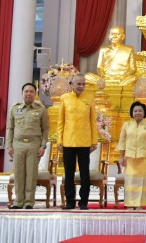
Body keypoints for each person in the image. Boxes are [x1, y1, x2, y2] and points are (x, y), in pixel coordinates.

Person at [57, 74, 98, 210]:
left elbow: (93, 121)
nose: (81, 86)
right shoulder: (64, 98)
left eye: (83, 84)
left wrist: (94, 141)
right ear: (72, 85)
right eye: (78, 84)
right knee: (69, 174)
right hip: (68, 141)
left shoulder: (90, 98)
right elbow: (61, 121)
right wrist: (59, 141)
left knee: (85, 174)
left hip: (84, 141)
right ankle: (70, 201)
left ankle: (83, 202)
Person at [7, 82, 48, 209]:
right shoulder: (15, 108)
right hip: (18, 144)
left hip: (34, 145)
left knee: (31, 174)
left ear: (35, 94)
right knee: (19, 173)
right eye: (26, 91)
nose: (28, 93)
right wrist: (9, 145)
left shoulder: (41, 109)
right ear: (22, 93)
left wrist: (43, 145)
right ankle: (18, 201)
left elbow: (45, 129)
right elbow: (10, 128)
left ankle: (29, 202)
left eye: (31, 91)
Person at [116, 101, 146, 209]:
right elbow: (122, 141)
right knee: (130, 182)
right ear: (132, 113)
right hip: (129, 159)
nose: (137, 113)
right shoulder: (126, 125)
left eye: (140, 111)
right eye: (135, 111)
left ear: (144, 113)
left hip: (144, 159)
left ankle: (140, 204)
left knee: (142, 183)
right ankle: (130, 204)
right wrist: (121, 157)